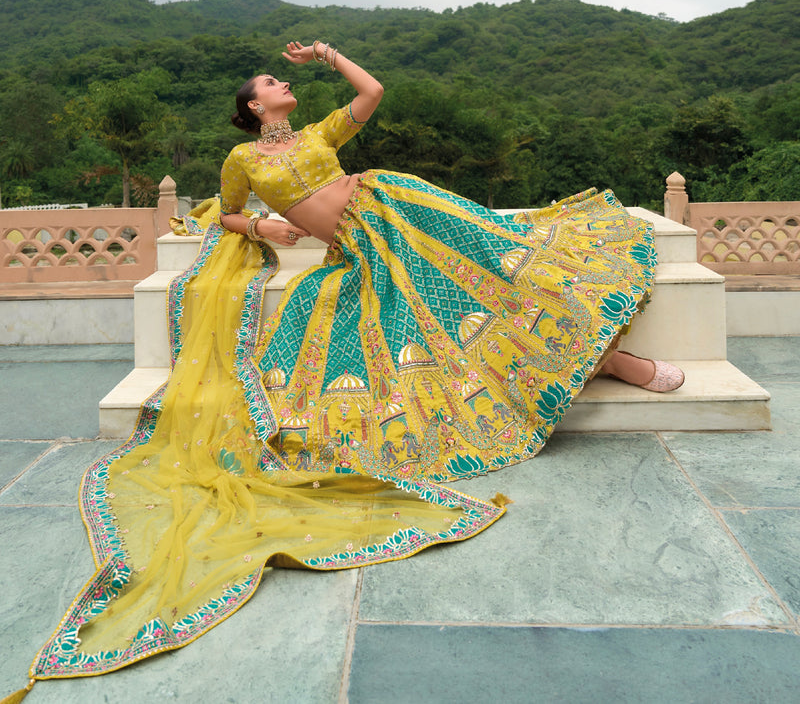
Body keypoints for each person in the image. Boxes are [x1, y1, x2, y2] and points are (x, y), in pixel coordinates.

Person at [11, 41, 681, 699]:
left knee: (492, 286)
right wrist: (262, 231)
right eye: (273, 81)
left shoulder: (322, 132)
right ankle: (607, 364)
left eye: (282, 79)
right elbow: (234, 213)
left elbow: (372, 94)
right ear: (251, 103)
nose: (282, 85)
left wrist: (328, 56)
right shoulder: (241, 158)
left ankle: (613, 359)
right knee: (435, 326)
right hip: (358, 252)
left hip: (397, 209)